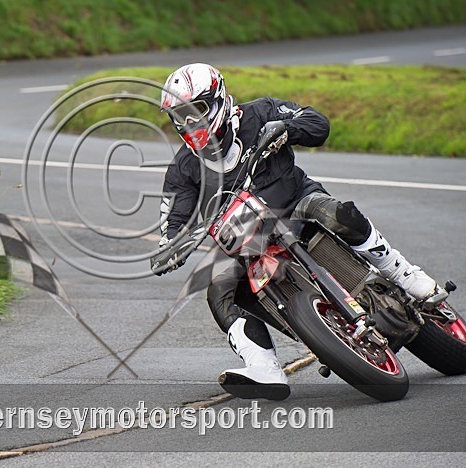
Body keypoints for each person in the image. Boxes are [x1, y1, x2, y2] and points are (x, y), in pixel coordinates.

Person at [154, 63, 438, 400]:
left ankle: (404, 274)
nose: (190, 123)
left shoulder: (260, 112)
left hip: (297, 202)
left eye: (196, 111)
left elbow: (318, 123)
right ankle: (263, 368)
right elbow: (173, 220)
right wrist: (169, 246)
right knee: (218, 290)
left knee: (337, 214)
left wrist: (288, 129)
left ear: (219, 99)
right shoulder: (184, 168)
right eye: (181, 116)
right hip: (247, 239)